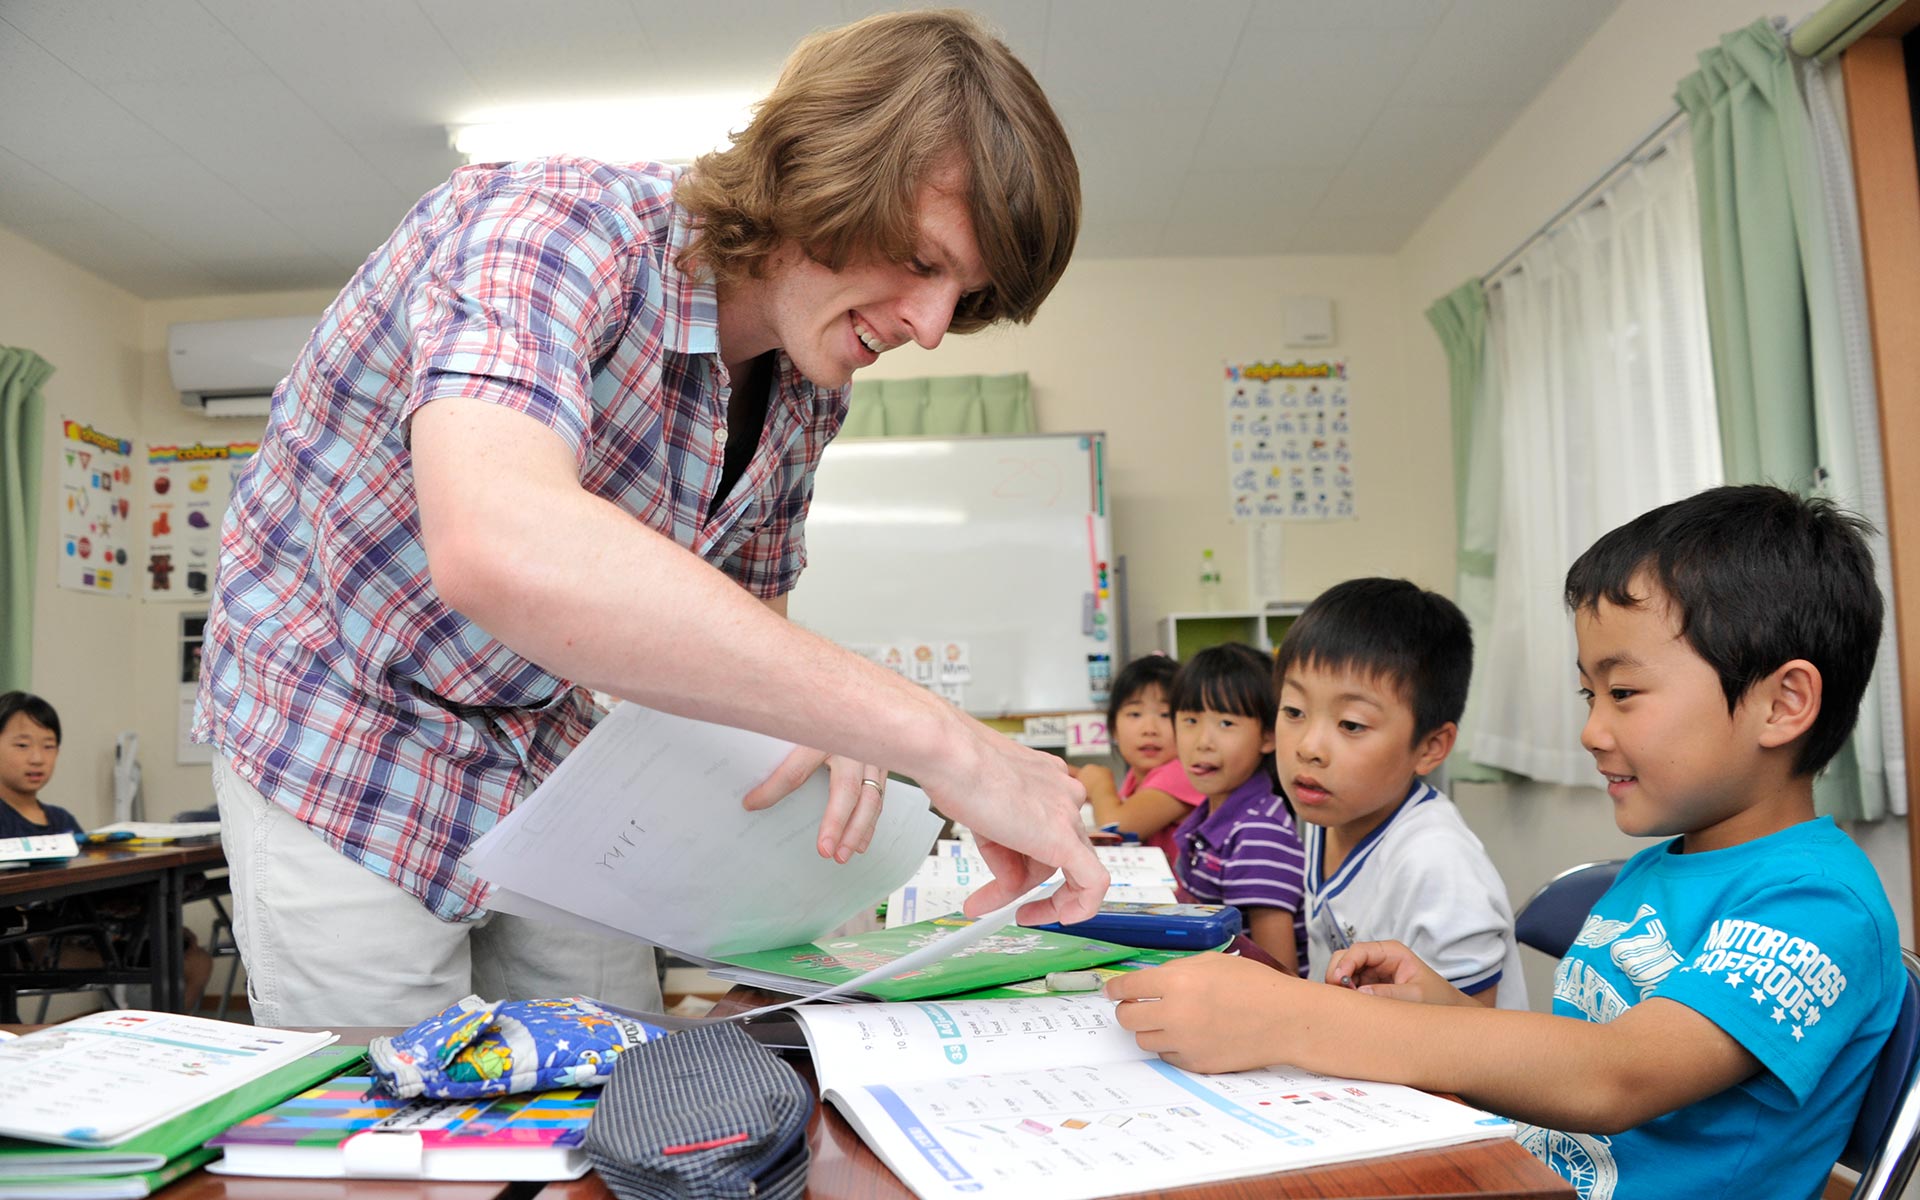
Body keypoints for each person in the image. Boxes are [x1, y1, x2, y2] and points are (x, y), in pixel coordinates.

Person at [192, 9, 1106, 1027]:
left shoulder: (808, 392)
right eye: (927, 264)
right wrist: (944, 741)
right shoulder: (551, 223)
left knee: (616, 1081)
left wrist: (820, 721)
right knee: (388, 1134)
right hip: (343, 724)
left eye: (963, 295)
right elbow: (499, 544)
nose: (933, 331)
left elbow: (730, 641)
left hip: (552, 749)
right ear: (828, 173)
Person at [1107, 486, 1901, 1200]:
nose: (1591, 730)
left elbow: (1617, 1076)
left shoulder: (1816, 903)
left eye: (1623, 694)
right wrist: (1444, 1006)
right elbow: (1575, 1061)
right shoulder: (1660, 870)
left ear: (1783, 702)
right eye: (1590, 694)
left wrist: (1287, 1017)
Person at [1275, 578, 1525, 1009]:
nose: (1308, 748)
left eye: (1351, 724)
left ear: (1430, 747)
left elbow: (1481, 1043)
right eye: (1294, 712)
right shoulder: (1329, 812)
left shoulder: (1438, 866)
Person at [0, 691, 213, 1011]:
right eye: (22, 745)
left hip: (80, 932)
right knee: (168, 955)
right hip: (26, 942)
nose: (37, 758)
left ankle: (155, 1048)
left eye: (49, 745)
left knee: (194, 960)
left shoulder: (60, 819)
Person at [1166, 643, 1307, 973]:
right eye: (1189, 720)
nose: (1203, 741)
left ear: (1268, 736)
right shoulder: (1212, 814)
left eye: (1226, 723)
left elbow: (1279, 974)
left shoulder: (1258, 833)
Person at [1073, 654, 1205, 864]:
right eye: (1135, 714)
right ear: (1114, 728)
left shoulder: (1184, 772)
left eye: (1165, 715)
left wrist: (1100, 783)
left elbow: (1116, 829)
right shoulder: (1137, 777)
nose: (1149, 730)